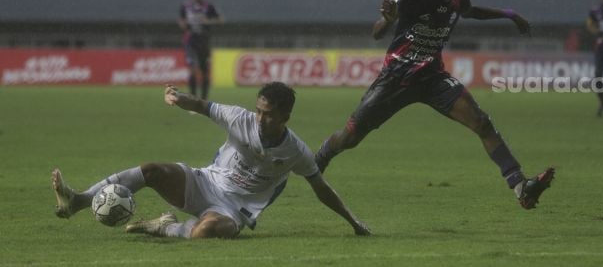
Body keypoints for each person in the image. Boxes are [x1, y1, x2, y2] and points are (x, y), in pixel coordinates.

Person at [315, 0, 554, 210]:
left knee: (482, 123)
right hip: (396, 78)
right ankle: (321, 156)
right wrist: (388, 19)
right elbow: (377, 32)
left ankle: (521, 186)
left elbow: (471, 12)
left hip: (433, 78)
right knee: (350, 138)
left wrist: (510, 14)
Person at [51, 82, 371, 239]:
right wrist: (176, 97)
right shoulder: (240, 118)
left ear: (285, 116)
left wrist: (353, 222)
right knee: (151, 169)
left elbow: (321, 188)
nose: (259, 118)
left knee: (205, 233)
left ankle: (165, 227)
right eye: (258, 110)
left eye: (268, 114)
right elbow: (203, 105)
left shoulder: (295, 151)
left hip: (233, 209)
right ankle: (78, 200)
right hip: (204, 182)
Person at [178, 0, 224, 100]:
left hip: (204, 41)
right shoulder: (185, 6)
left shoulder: (209, 6)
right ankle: (193, 99)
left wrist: (208, 21)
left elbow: (221, 20)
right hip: (190, 41)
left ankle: (204, 101)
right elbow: (181, 20)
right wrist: (183, 24)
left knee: (204, 71)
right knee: (192, 69)